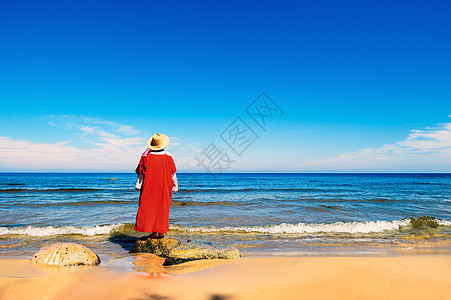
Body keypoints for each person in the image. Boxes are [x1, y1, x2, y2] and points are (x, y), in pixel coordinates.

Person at [134, 133, 178, 239]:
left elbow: (141, 173)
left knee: (149, 208)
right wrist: (175, 186)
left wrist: (138, 185)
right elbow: (173, 173)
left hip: (149, 185)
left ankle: (154, 233)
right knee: (162, 208)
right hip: (164, 186)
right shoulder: (168, 155)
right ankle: (160, 233)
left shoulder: (146, 156)